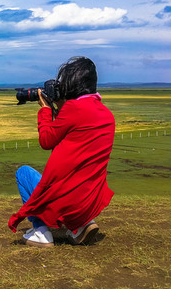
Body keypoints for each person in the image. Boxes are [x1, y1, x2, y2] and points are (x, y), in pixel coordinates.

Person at [8, 56, 115, 247]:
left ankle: (41, 232)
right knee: (78, 176)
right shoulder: (106, 114)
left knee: (23, 173)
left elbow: (47, 140)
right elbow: (74, 144)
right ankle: (82, 224)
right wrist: (61, 108)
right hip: (90, 200)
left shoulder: (74, 109)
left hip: (70, 200)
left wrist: (46, 109)